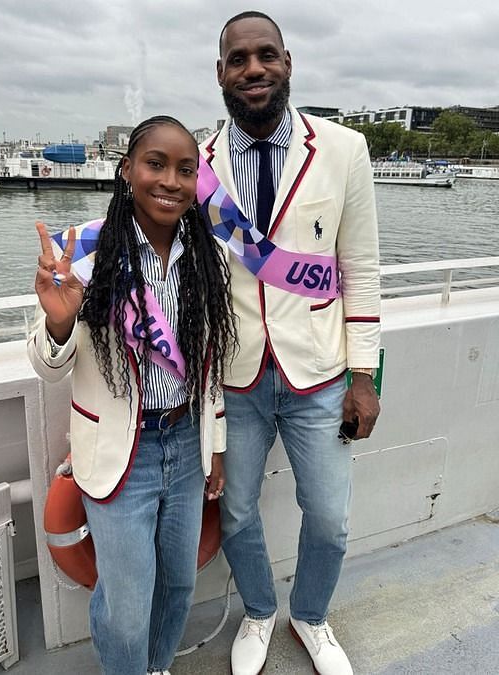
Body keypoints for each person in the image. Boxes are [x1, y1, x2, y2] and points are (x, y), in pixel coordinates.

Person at [205, 11, 381, 675]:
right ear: (220, 73)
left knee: (330, 518)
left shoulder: (343, 149)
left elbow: (360, 267)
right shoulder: (200, 165)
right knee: (238, 511)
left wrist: (366, 374)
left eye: (266, 55)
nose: (254, 69)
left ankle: (309, 614)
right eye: (238, 59)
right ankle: (258, 610)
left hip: (320, 373)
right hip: (235, 377)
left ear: (288, 62)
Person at [27, 115, 236, 675]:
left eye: (185, 170)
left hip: (187, 443)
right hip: (124, 452)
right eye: (155, 164)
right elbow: (50, 368)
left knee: (177, 584)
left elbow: (209, 368)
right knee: (124, 604)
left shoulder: (206, 259)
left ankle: (158, 667)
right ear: (126, 172)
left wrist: (215, 443)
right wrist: (58, 325)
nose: (170, 180)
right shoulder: (88, 261)